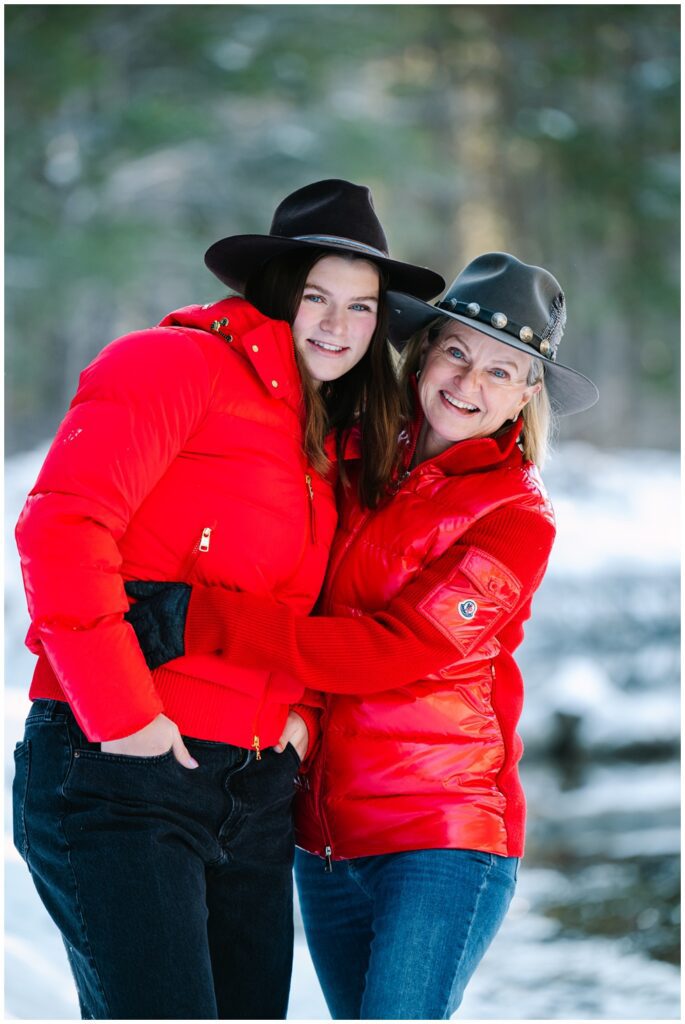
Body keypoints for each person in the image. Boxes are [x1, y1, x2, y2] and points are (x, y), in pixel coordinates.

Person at [12, 178, 445, 1021]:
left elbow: (320, 604)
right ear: (277, 291)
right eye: (317, 296)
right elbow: (61, 529)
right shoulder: (172, 364)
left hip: (252, 795)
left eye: (361, 308)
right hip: (121, 775)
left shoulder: (322, 434)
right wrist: (123, 717)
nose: (336, 324)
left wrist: (303, 719)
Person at [124, 252, 599, 1020]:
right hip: (322, 836)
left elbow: (394, 651)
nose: (467, 383)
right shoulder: (346, 459)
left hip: (439, 834)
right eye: (455, 352)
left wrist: (203, 619)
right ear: (420, 354)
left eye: (501, 371)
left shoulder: (515, 519)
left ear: (526, 395)